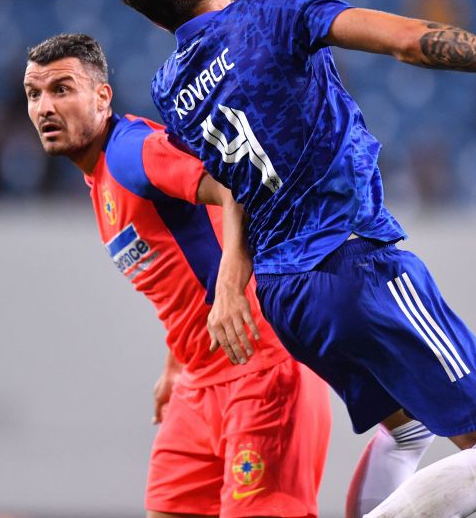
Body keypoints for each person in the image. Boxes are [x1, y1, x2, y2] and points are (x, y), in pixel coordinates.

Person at [114, 0, 476, 518]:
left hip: (285, 300)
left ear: (157, 23)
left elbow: (232, 186)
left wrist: (234, 272)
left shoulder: (171, 88)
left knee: (406, 428)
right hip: (353, 263)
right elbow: (407, 40)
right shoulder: (269, 11)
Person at [22, 32, 332, 518]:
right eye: (34, 94)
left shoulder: (135, 151)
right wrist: (175, 362)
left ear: (103, 97)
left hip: (259, 369)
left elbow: (239, 183)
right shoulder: (101, 175)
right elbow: (188, 265)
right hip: (198, 381)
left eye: (62, 89)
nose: (44, 107)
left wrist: (232, 284)